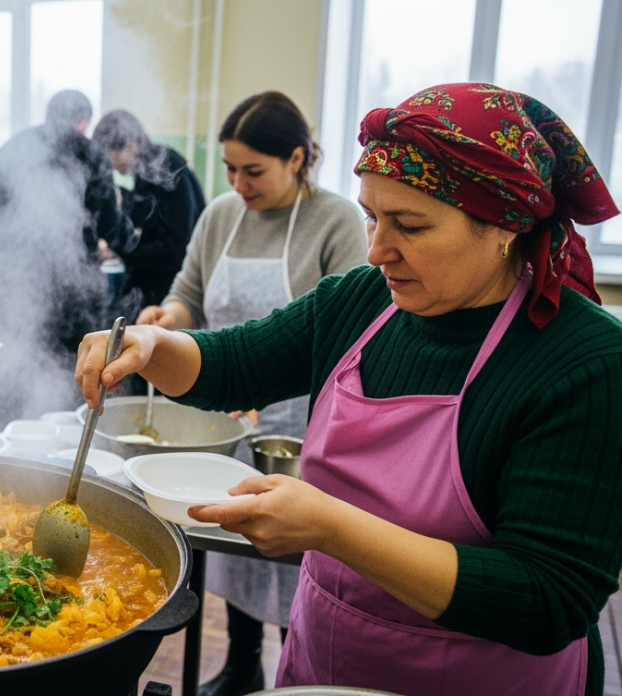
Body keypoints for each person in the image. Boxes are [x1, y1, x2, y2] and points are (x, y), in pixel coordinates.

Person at [78, 83, 622, 696]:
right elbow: (232, 364)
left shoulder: (584, 362)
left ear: (505, 226)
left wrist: (330, 527)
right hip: (327, 662)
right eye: (372, 216)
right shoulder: (361, 302)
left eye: (409, 226)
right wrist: (152, 346)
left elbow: (546, 600)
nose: (377, 250)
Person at [136, 92, 366, 696]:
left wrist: (266, 376)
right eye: (230, 169)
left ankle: (299, 672)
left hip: (306, 426)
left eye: (253, 171)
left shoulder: (336, 220)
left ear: (297, 159)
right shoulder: (220, 215)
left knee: (298, 555)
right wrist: (168, 318)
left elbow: (353, 335)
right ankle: (242, 666)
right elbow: (189, 292)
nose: (238, 184)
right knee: (236, 545)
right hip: (229, 414)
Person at [0, 90, 136, 428]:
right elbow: (110, 226)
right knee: (63, 384)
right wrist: (130, 240)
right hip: (67, 300)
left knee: (7, 373)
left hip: (4, 289)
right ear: (84, 122)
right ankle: (58, 453)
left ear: (48, 114)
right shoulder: (88, 151)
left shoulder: (18, 144)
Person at [92, 109, 207, 312]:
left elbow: (175, 249)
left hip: (172, 290)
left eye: (110, 156)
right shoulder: (145, 172)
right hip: (157, 284)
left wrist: (122, 250)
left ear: (130, 142)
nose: (110, 166)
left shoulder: (165, 166)